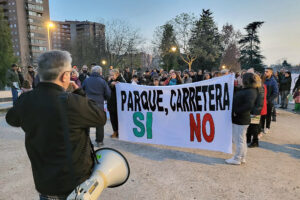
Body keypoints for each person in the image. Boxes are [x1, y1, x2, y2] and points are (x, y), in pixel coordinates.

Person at [5, 50, 107, 200]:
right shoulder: (72, 101)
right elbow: (100, 117)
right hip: (74, 187)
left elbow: (11, 119)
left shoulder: (26, 100)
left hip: (44, 184)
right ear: (65, 75)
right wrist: (79, 92)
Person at [226, 73, 258, 165]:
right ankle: (242, 157)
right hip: (241, 118)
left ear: (245, 80)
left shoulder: (250, 91)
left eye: (240, 78)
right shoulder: (247, 89)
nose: (238, 79)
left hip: (240, 119)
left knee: (239, 140)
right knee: (242, 139)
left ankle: (237, 158)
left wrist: (236, 111)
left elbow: (249, 105)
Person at [82, 65, 111, 147]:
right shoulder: (102, 81)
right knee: (99, 123)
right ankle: (99, 141)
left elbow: (81, 90)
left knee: (86, 123)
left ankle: (85, 141)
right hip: (99, 105)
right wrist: (104, 98)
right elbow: (108, 94)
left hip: (87, 104)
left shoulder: (86, 80)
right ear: (100, 72)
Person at [246, 74, 265, 148]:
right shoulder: (255, 87)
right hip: (253, 109)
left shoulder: (259, 88)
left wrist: (255, 110)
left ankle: (255, 141)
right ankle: (248, 139)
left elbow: (260, 101)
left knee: (254, 127)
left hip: (256, 110)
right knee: (250, 125)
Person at [107, 69, 126, 138]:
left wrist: (119, 85)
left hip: (119, 104)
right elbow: (107, 86)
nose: (111, 76)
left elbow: (125, 87)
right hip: (111, 103)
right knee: (112, 118)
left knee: (119, 119)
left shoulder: (122, 80)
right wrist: (111, 84)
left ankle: (121, 132)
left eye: (112, 75)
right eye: (110, 75)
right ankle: (115, 131)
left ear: (117, 74)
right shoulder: (110, 81)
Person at [261, 68, 278, 134]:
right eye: (265, 71)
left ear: (271, 73)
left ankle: (267, 127)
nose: (265, 73)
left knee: (268, 115)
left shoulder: (273, 81)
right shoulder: (263, 80)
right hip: (262, 100)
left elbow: (275, 92)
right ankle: (262, 127)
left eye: (267, 72)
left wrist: (268, 100)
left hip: (269, 101)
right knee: (262, 115)